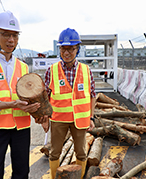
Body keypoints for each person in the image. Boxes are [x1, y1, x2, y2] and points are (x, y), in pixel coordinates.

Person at [0, 10, 46, 179]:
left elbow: (29, 98)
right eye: (6, 35)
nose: (11, 40)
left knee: (22, 172)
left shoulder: (23, 67)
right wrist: (12, 104)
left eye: (15, 35)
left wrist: (38, 111)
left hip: (21, 127)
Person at [43, 28, 96, 179]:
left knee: (81, 152)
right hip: (58, 119)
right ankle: (54, 177)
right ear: (59, 49)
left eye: (71, 49)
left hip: (80, 120)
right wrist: (45, 119)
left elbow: (92, 95)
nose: (67, 52)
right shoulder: (51, 71)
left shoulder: (86, 70)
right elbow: (45, 97)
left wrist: (91, 117)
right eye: (63, 48)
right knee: (54, 153)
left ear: (77, 49)